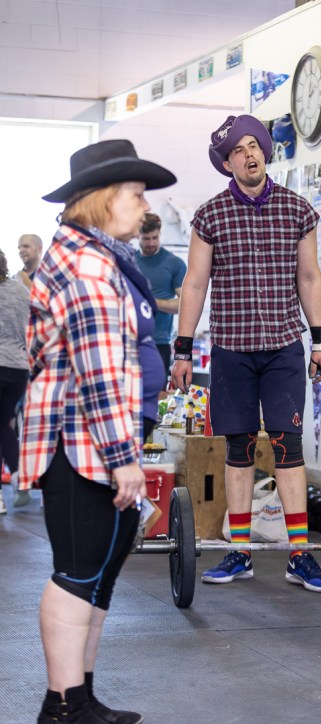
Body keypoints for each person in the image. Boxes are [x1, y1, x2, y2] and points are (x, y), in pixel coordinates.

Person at [18, 138, 176, 723]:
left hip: (93, 442)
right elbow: (99, 371)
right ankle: (62, 706)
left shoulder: (98, 255)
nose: (146, 206)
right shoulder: (86, 266)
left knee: (99, 569)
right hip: (81, 445)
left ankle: (79, 696)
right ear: (107, 198)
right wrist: (123, 457)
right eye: (137, 194)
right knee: (79, 571)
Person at [171, 114, 321, 593]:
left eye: (253, 145)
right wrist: (183, 350)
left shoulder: (298, 210)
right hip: (232, 350)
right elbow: (194, 284)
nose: (248, 155)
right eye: (238, 151)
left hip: (283, 347)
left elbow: (310, 278)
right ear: (228, 164)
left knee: (288, 446)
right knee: (239, 448)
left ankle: (299, 554)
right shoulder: (210, 216)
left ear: (265, 150)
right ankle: (239, 551)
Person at [136, 212, 186, 374]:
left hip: (159, 341)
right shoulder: (129, 262)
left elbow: (184, 305)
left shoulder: (174, 263)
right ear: (138, 235)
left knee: (158, 388)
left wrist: (150, 302)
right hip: (130, 339)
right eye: (146, 238)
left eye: (155, 238)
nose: (151, 243)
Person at [0, 248, 30, 514]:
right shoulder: (21, 290)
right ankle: (20, 477)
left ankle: (17, 479)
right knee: (3, 424)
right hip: (19, 368)